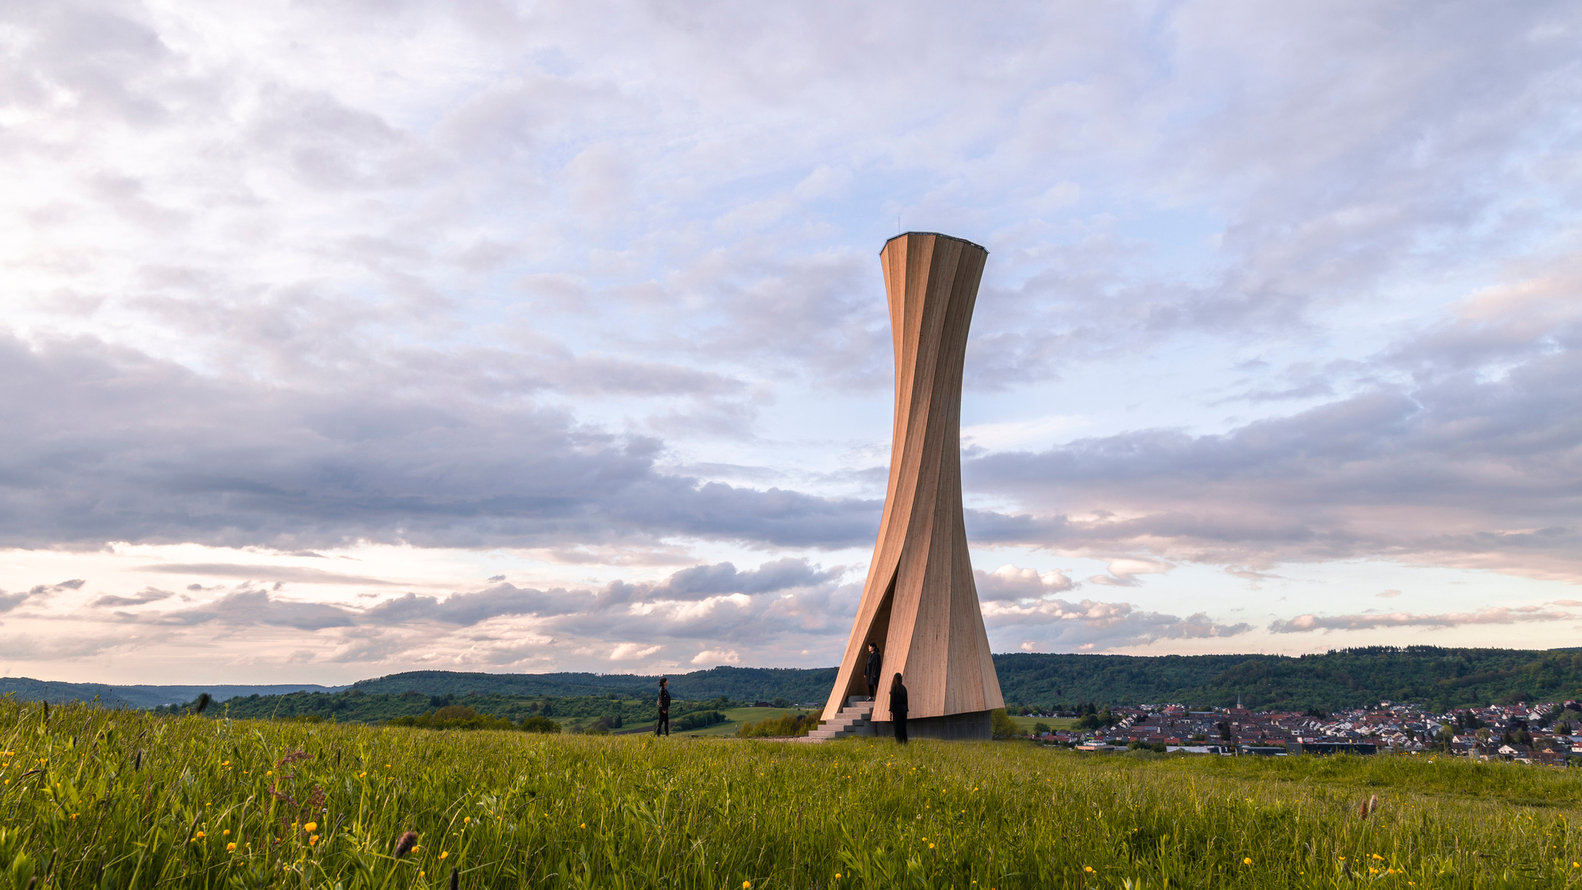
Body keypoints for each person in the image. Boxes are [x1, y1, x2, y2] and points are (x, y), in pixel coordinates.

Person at [889, 672, 908, 744]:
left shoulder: (894, 689)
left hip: (897, 711)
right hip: (903, 710)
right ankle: (905, 742)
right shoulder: (904, 689)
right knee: (903, 728)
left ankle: (899, 742)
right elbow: (906, 701)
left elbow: (892, 701)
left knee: (897, 728)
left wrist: (891, 711)